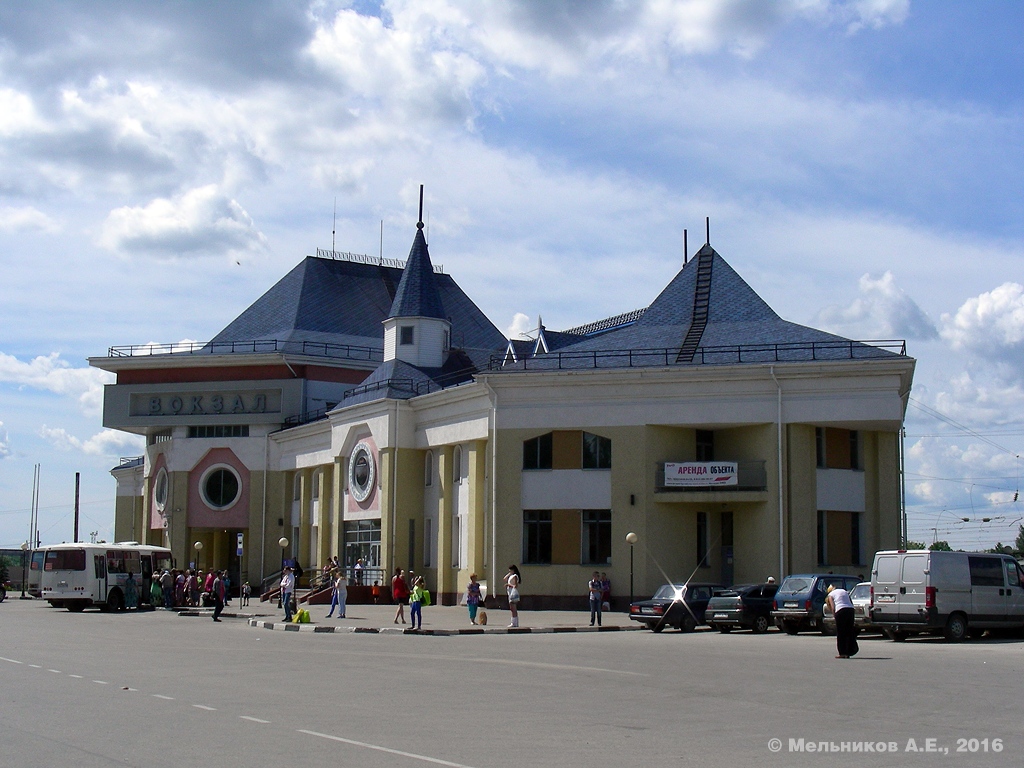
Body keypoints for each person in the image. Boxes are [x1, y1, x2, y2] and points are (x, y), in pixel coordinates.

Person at [826, 584, 858, 659]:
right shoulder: (844, 591)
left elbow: (833, 607)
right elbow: (850, 602)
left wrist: (835, 616)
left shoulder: (830, 595)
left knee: (841, 633)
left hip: (840, 611)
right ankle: (850, 650)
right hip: (850, 610)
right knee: (849, 631)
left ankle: (842, 653)